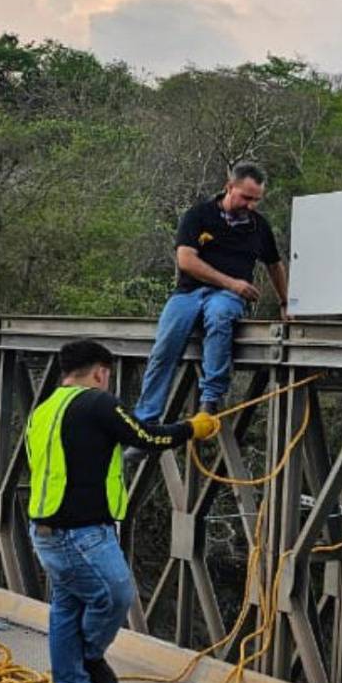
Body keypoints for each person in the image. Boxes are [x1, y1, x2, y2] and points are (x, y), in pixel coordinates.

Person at [25, 339, 220, 683]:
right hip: (81, 533)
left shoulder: (44, 410)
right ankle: (90, 656)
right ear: (100, 373)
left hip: (45, 530)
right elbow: (145, 437)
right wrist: (193, 428)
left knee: (67, 607)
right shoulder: (98, 402)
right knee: (115, 595)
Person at [125, 163, 287, 464]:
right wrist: (232, 283)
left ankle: (209, 400)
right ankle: (145, 424)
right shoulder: (198, 216)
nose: (250, 205)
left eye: (256, 200)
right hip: (190, 292)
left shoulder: (259, 226)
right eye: (245, 197)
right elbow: (187, 260)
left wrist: (285, 302)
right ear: (229, 187)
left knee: (220, 318)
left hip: (226, 298)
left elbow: (274, 264)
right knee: (164, 348)